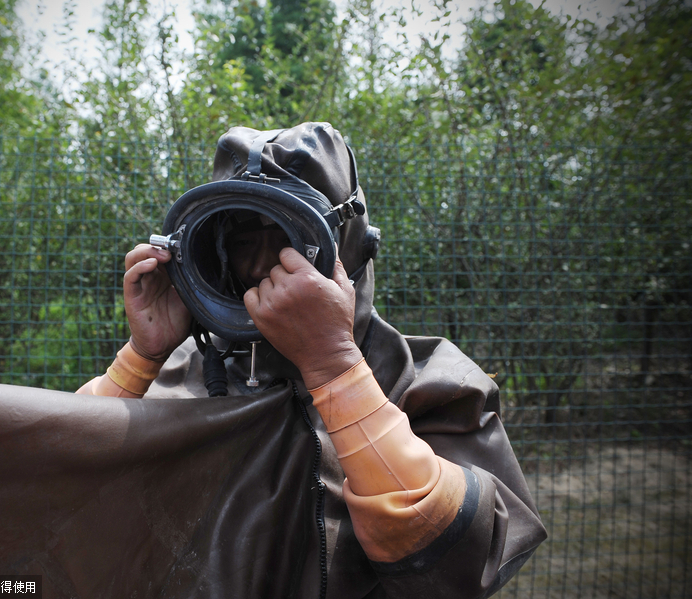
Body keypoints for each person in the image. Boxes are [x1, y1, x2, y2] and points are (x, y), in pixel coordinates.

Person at [77, 122, 547, 598]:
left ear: (349, 246)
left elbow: (457, 567)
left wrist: (334, 368)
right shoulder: (180, 375)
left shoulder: (433, 383)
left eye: (287, 236)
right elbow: (59, 497)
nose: (262, 266)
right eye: (241, 241)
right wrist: (142, 358)